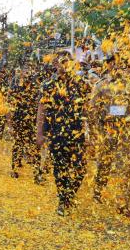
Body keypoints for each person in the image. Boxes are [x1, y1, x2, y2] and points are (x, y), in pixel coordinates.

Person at [36, 51, 90, 216]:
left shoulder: (81, 83)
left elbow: (88, 108)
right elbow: (42, 110)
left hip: (77, 134)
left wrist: (90, 133)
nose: (64, 64)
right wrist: (39, 133)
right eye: (61, 62)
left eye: (67, 61)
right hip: (56, 134)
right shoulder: (48, 85)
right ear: (55, 65)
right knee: (61, 169)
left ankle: (69, 195)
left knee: (80, 169)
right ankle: (63, 200)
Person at [88, 55, 130, 215]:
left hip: (125, 133)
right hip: (106, 132)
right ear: (108, 65)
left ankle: (123, 204)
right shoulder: (101, 85)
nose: (119, 67)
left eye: (121, 64)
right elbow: (92, 110)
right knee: (104, 164)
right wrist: (96, 133)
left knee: (125, 167)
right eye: (115, 64)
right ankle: (98, 191)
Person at [8, 67, 39, 179]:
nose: (26, 75)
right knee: (17, 144)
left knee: (34, 145)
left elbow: (39, 106)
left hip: (31, 121)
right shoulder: (15, 88)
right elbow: (9, 106)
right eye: (24, 73)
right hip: (18, 120)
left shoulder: (35, 87)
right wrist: (10, 125)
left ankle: (37, 173)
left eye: (28, 73)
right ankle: (14, 169)